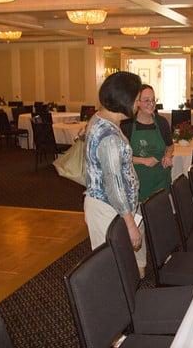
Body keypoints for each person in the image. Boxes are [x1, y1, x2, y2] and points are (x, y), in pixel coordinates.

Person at [83, 71, 146, 270]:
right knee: (112, 267)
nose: (138, 105)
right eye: (136, 100)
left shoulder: (101, 118)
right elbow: (114, 186)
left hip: (109, 207)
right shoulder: (110, 137)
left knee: (114, 264)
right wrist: (130, 224)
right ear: (124, 100)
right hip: (108, 208)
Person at [121, 84, 174, 202]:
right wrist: (143, 160)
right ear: (137, 102)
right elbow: (120, 157)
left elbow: (170, 146)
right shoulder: (127, 125)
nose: (151, 103)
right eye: (146, 100)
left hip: (161, 183)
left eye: (153, 99)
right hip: (137, 186)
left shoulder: (162, 122)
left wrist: (168, 155)